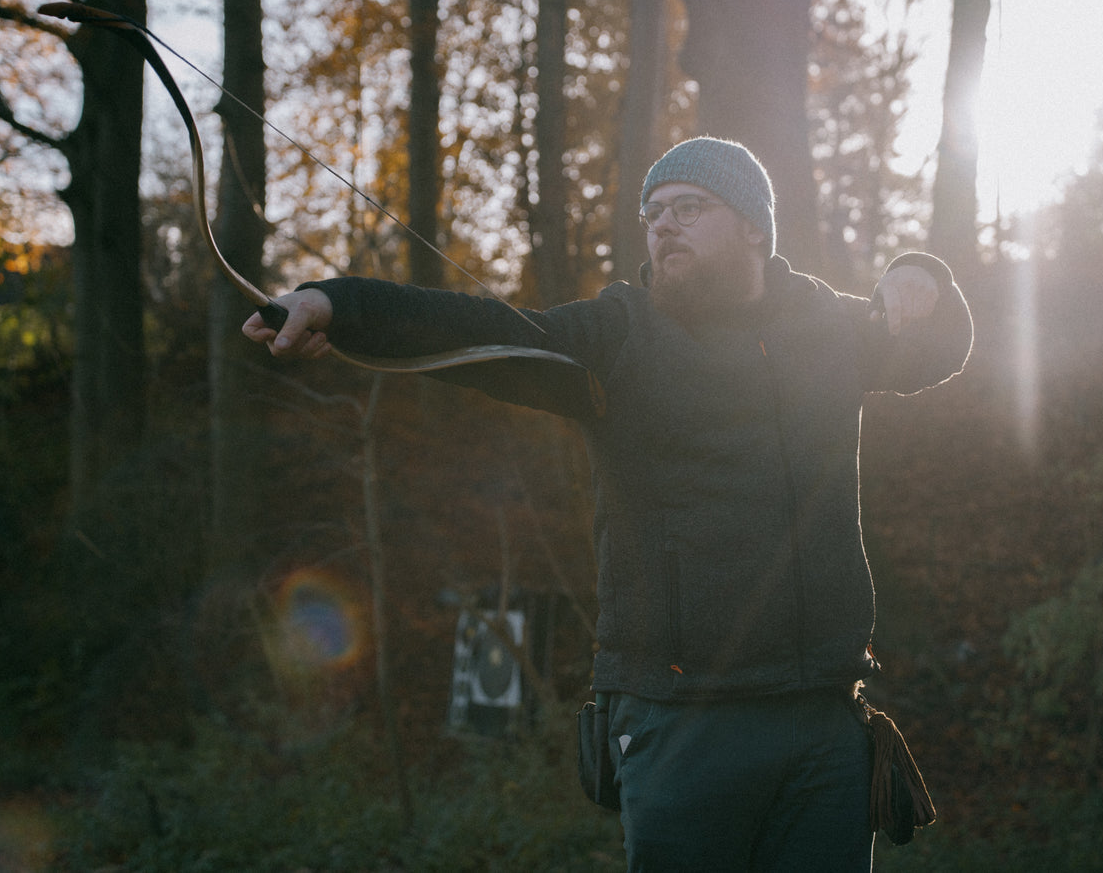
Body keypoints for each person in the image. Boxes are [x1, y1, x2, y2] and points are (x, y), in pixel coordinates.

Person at [244, 137, 972, 871]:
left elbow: (939, 349)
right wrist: (338, 303)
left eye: (688, 207)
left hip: (822, 717)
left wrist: (922, 277)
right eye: (652, 212)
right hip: (677, 723)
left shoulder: (827, 327)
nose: (662, 224)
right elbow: (484, 330)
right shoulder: (618, 333)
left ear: (754, 225)